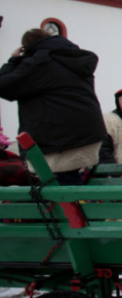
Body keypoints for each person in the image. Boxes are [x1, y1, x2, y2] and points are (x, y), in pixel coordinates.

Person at [0, 29, 106, 185]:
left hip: (58, 137)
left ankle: (72, 209)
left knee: (58, 186)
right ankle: (77, 207)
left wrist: (13, 61)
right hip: (88, 133)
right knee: (69, 179)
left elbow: (4, 86)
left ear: (27, 47)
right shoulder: (71, 57)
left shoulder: (39, 61)